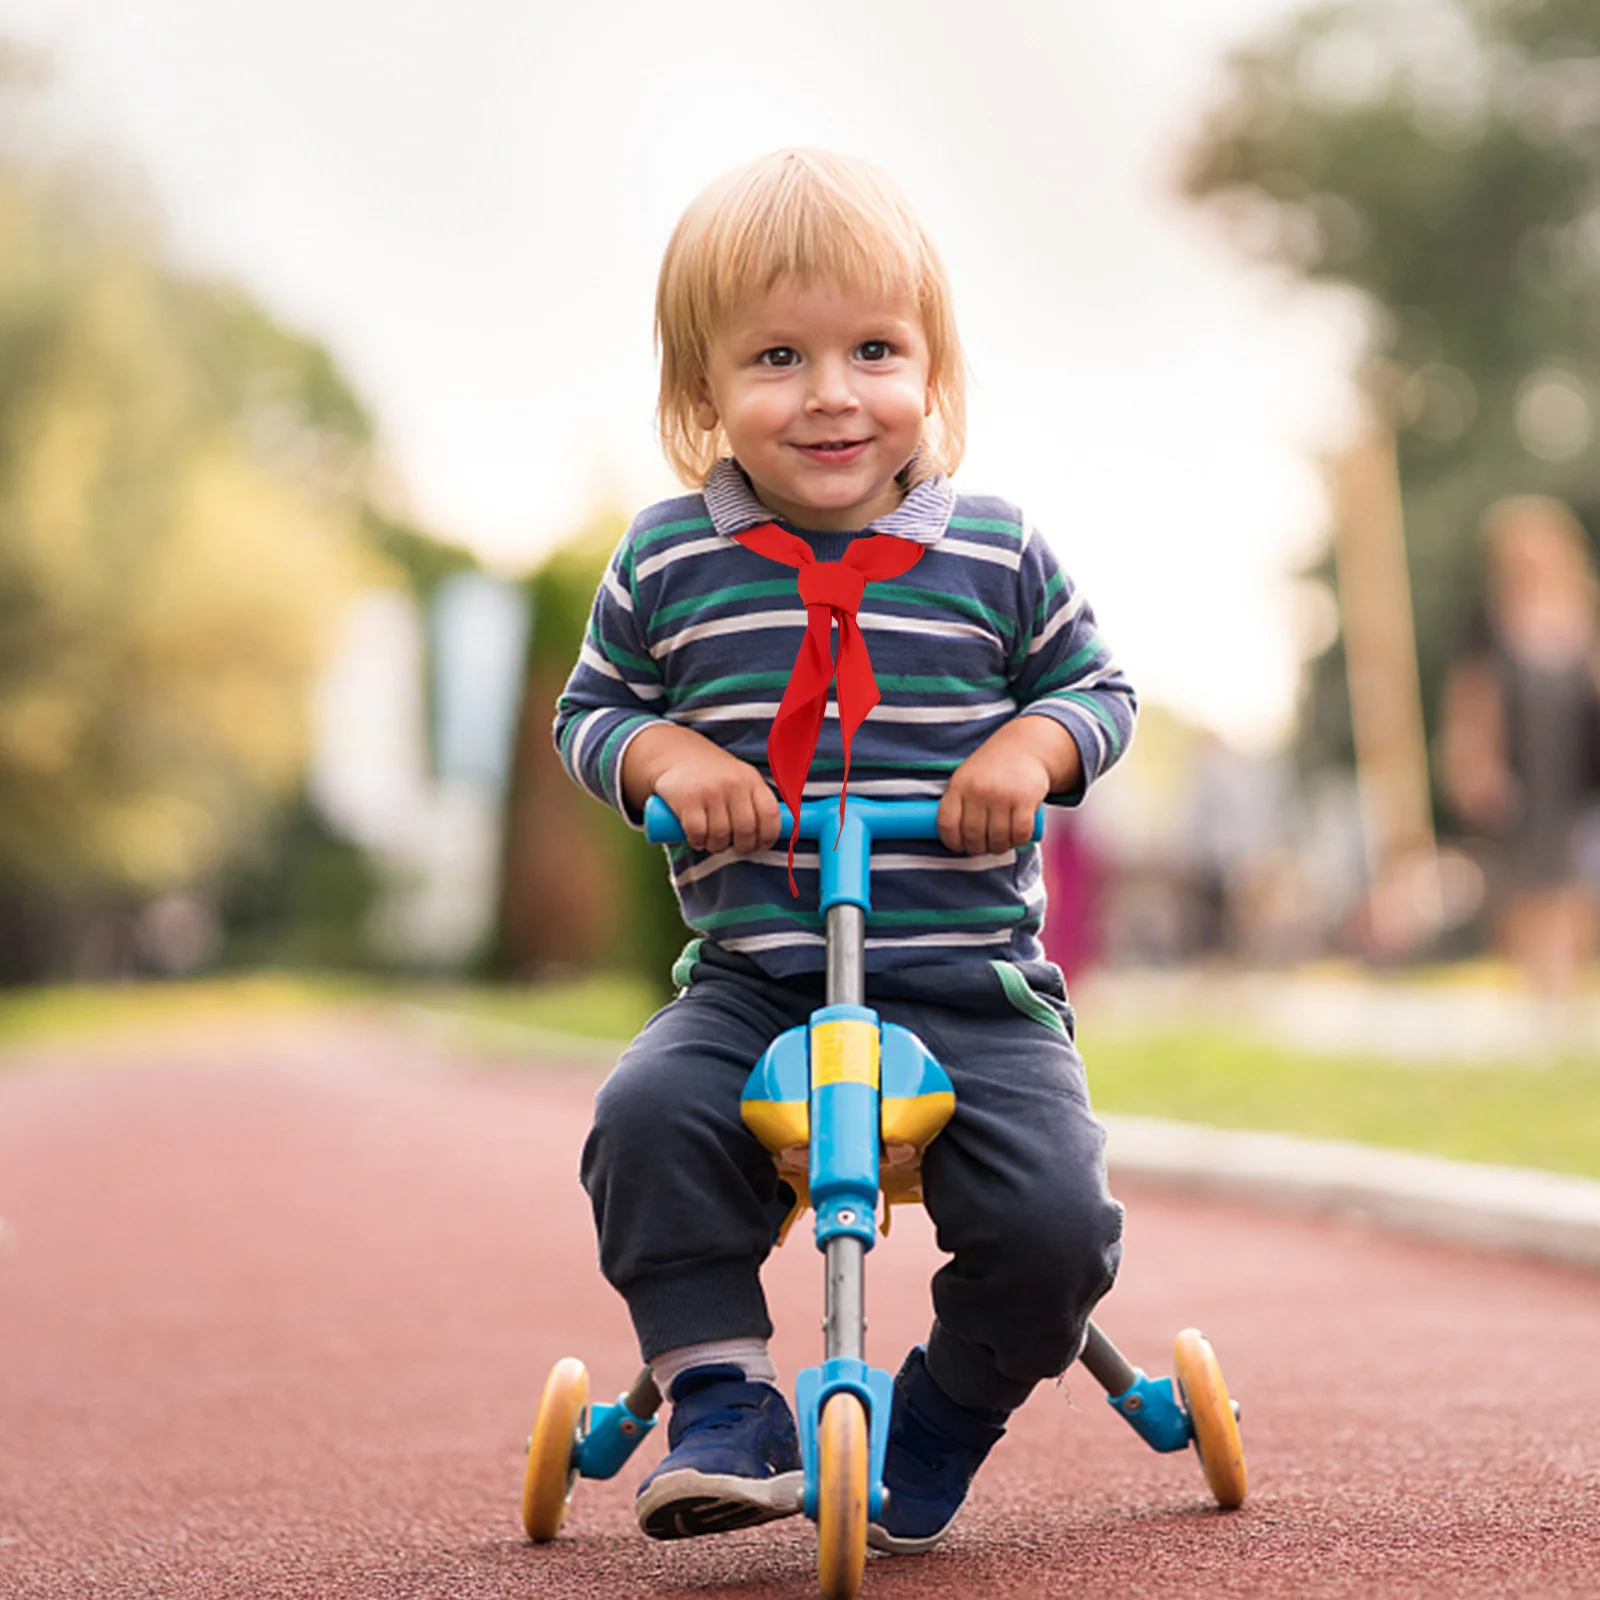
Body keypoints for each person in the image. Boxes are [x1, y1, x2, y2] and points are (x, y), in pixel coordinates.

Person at [552, 148, 1135, 1554]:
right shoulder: (667, 560)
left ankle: (941, 1416)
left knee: (1058, 1228)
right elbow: (595, 714)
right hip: (757, 976)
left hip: (968, 988)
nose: (829, 392)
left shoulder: (998, 554)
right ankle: (722, 1402)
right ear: (703, 393)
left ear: (932, 369)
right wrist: (672, 760)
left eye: (873, 348)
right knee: (644, 1117)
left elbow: (1096, 694)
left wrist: (1027, 754)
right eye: (776, 356)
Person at [1440, 495, 1600, 995]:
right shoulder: (1489, 620)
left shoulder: (1587, 609)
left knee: (1578, 872)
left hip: (1580, 763)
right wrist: (1471, 763)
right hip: (1520, 767)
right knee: (1524, 874)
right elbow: (1470, 694)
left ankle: (1568, 981)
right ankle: (1535, 984)